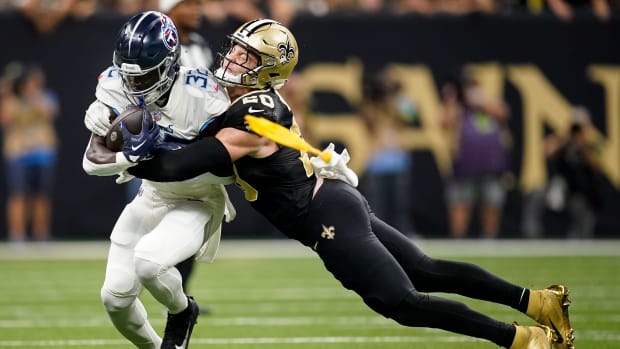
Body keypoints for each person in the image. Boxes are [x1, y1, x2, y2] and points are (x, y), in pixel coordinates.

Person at [127, 19, 574, 349]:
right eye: (236, 50)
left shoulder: (255, 114)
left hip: (324, 215)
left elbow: (183, 166)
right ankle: (538, 302)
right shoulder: (240, 102)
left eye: (246, 56)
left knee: (402, 302)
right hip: (333, 202)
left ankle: (524, 340)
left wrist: (127, 158)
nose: (232, 59)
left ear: (266, 71)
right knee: (426, 269)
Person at [81, 11, 234, 349]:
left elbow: (227, 167)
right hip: (152, 196)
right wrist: (130, 155)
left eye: (143, 77)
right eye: (128, 77)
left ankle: (182, 311)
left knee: (150, 262)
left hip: (197, 197)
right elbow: (92, 162)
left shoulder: (202, 94)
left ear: (169, 65)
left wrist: (170, 150)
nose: (132, 86)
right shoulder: (114, 85)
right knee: (115, 298)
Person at [155, 0, 218, 314]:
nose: (196, 10)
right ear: (169, 9)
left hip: (194, 146)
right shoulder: (155, 40)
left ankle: (180, 297)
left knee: (190, 229)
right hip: (159, 144)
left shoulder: (201, 45)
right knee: (152, 222)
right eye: (188, 4)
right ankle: (138, 288)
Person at [440, 70, 511, 239]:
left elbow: (504, 113)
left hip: (491, 165)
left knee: (491, 203)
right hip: (464, 167)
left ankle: (489, 239)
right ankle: (458, 240)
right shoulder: (456, 107)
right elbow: (443, 123)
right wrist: (451, 101)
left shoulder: (489, 102)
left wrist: (481, 103)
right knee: (460, 203)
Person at [1, 63, 59, 246]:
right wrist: (8, 92)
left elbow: (49, 112)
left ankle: (41, 234)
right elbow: (5, 120)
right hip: (18, 152)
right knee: (18, 194)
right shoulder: (10, 99)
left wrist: (33, 95)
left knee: (41, 195)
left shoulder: (45, 96)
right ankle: (17, 235)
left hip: (43, 151)